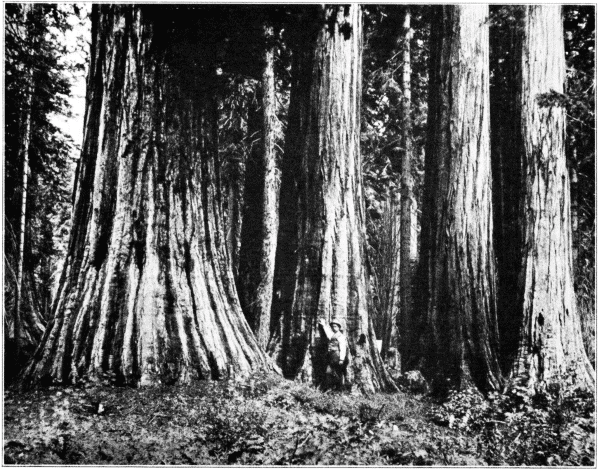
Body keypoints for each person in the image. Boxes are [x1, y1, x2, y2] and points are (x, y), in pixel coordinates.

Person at [318, 317, 348, 389]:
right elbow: (328, 332)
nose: (333, 328)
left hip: (337, 356)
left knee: (337, 372)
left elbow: (343, 348)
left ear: (338, 327)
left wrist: (341, 359)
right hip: (331, 356)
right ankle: (330, 388)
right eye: (332, 326)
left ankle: (339, 388)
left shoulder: (341, 336)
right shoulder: (332, 335)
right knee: (328, 372)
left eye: (335, 326)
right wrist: (324, 325)